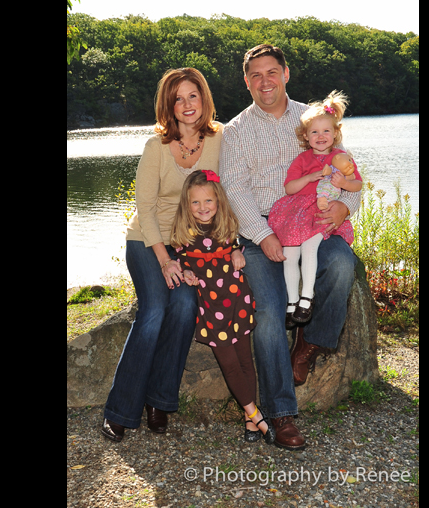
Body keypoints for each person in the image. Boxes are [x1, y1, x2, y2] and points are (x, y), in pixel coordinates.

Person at [219, 44, 361, 451]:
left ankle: (310, 342)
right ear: (247, 81)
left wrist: (344, 206)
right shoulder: (236, 131)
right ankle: (281, 412)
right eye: (255, 75)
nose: (264, 81)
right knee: (267, 312)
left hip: (313, 221)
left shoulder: (313, 119)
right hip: (262, 230)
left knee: (342, 264)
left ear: (285, 74)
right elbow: (235, 189)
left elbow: (348, 169)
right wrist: (263, 234)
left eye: (272, 72)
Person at [101, 67, 224, 443]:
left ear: (203, 98)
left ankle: (159, 400)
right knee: (154, 310)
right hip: (146, 240)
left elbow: (227, 195)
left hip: (187, 245)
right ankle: (120, 410)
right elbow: (146, 207)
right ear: (168, 106)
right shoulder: (156, 147)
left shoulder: (219, 139)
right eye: (177, 98)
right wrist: (165, 260)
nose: (186, 104)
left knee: (185, 306)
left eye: (192, 95)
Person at [172, 169, 275, 444]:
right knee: (230, 365)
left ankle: (249, 420)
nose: (203, 207)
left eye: (208, 201)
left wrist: (238, 251)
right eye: (195, 202)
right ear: (187, 204)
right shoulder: (183, 235)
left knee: (246, 362)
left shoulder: (227, 226)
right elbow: (183, 263)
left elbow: (237, 244)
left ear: (218, 201)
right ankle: (256, 415)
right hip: (211, 309)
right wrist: (187, 273)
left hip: (238, 302)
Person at [267, 90, 363, 327]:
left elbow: (358, 184)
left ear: (335, 133)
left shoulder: (341, 158)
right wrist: (310, 177)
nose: (321, 137)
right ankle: (292, 303)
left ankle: (306, 298)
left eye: (326, 131)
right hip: (297, 213)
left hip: (321, 212)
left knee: (309, 247)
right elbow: (289, 188)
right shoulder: (302, 160)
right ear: (306, 136)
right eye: (314, 132)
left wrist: (344, 183)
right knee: (290, 254)